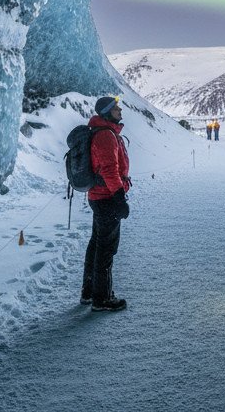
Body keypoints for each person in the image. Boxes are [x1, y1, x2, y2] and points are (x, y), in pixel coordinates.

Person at [81, 95, 131, 312]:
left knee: (97, 244)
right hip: (107, 197)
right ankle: (101, 298)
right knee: (105, 249)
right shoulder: (106, 136)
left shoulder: (103, 132)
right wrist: (120, 197)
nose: (120, 110)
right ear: (107, 112)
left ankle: (89, 293)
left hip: (99, 196)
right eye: (116, 108)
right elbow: (110, 170)